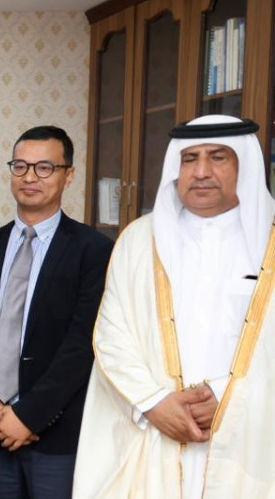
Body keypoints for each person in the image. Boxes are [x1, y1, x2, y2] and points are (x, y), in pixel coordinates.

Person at [74, 115, 275, 499]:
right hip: (153, 433)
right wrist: (154, 402)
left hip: (249, 439)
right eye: (189, 159)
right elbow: (113, 334)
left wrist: (227, 397)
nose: (201, 172)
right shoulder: (138, 240)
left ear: (245, 166)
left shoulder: (270, 242)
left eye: (218, 157)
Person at [0, 126, 112, 499]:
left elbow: (83, 345)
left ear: (68, 175)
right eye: (20, 166)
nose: (30, 177)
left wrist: (28, 416)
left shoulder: (94, 251)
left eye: (44, 167)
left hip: (57, 434)